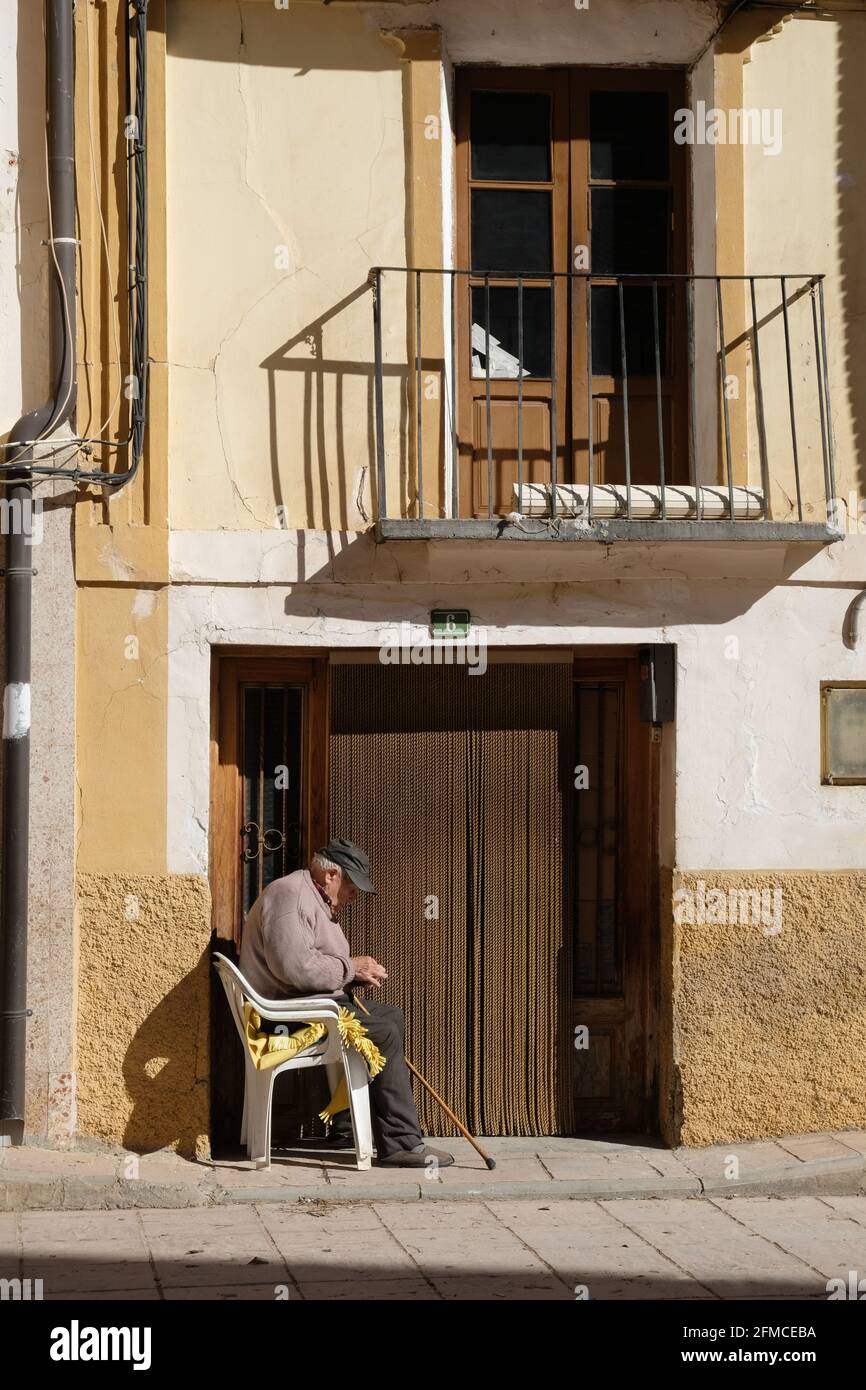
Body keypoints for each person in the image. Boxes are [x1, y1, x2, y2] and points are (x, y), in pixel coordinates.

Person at [239, 837, 454, 1168]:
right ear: (331, 875)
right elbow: (295, 968)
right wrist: (350, 967)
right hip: (282, 1018)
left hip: (306, 1005)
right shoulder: (291, 896)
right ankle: (401, 1143)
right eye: (352, 886)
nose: (355, 896)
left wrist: (351, 975)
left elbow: (312, 963)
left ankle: (345, 1122)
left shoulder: (314, 897)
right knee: (384, 1031)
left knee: (391, 1016)